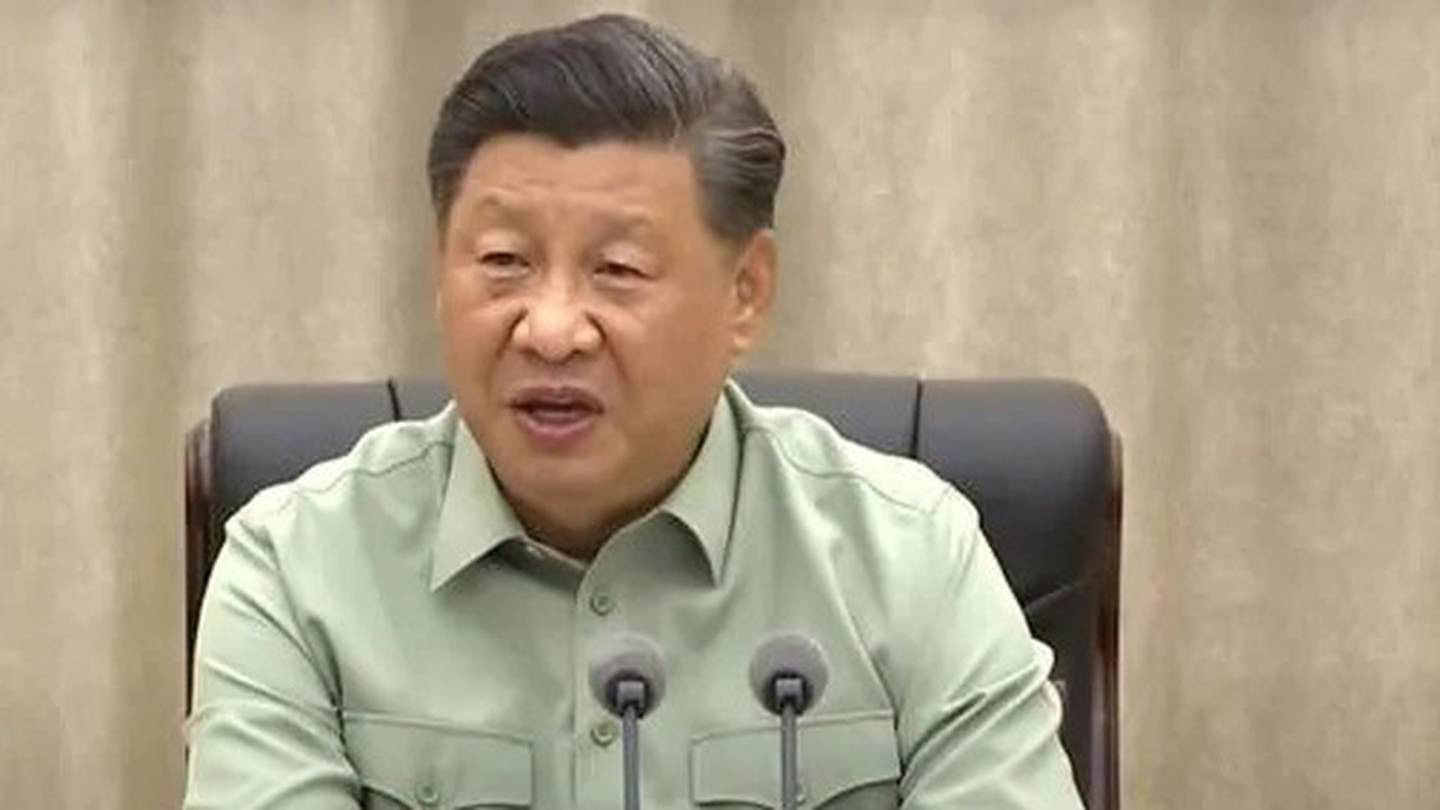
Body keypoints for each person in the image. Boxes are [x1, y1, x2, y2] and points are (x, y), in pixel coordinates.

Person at [183, 13, 1084, 810]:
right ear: (438, 271)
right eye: (503, 262)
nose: (551, 330)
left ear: (746, 292)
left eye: (617, 270)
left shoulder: (911, 558)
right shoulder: (297, 573)